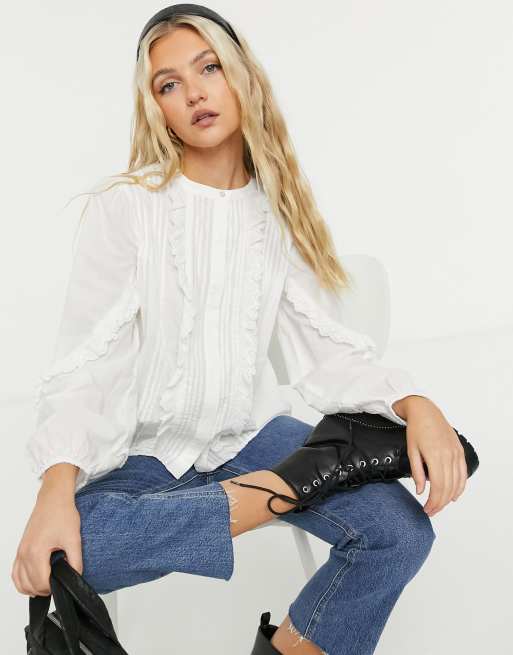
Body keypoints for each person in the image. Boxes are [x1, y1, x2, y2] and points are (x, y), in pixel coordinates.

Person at [12, 5, 468, 654]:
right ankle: (287, 486)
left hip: (252, 437)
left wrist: (416, 403)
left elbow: (325, 352)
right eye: (169, 84)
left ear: (241, 76)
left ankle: (280, 499)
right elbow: (87, 365)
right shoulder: (127, 207)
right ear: (156, 108)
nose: (195, 92)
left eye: (209, 68)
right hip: (145, 452)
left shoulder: (275, 212)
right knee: (76, 555)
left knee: (398, 532)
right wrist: (54, 490)